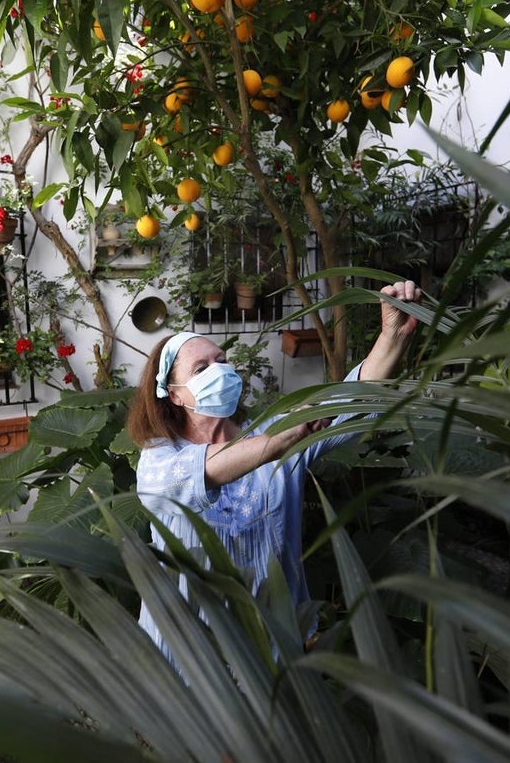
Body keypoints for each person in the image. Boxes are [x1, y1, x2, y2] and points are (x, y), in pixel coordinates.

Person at [126, 280, 423, 658]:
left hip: (274, 646)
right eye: (201, 368)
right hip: (191, 656)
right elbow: (200, 474)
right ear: (174, 393)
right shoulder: (159, 458)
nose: (219, 370)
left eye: (222, 360)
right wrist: (279, 441)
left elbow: (354, 397)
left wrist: (393, 335)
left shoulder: (275, 430)